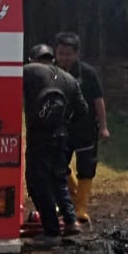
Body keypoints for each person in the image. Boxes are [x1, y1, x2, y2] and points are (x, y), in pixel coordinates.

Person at [22, 44, 86, 243]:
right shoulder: (69, 78)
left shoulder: (28, 71)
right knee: (58, 178)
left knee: (36, 181)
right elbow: (82, 110)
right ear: (52, 59)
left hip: (38, 136)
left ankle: (51, 231)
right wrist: (65, 124)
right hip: (61, 135)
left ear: (32, 59)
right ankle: (71, 221)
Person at [52, 31, 109, 225]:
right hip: (61, 128)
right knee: (58, 165)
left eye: (68, 53)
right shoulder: (51, 72)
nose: (64, 57)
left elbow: (98, 101)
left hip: (85, 128)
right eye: (60, 53)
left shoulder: (88, 73)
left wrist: (103, 127)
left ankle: (80, 208)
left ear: (76, 54)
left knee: (86, 168)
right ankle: (72, 199)